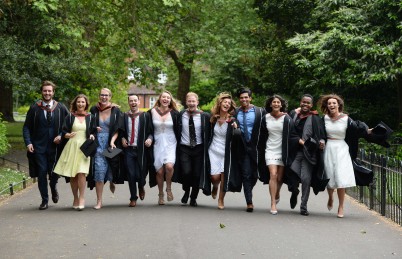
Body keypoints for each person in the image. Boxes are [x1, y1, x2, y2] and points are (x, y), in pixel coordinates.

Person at [318, 94, 373, 218]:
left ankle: (341, 206)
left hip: (342, 149)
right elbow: (320, 133)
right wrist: (321, 141)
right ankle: (331, 197)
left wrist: (367, 131)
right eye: (329, 103)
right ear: (327, 106)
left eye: (334, 103)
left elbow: (357, 129)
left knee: (340, 179)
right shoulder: (324, 119)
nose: (332, 105)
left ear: (339, 105)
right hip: (329, 148)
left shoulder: (346, 119)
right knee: (330, 177)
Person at [23, 80, 69, 210]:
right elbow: (26, 127)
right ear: (42, 92)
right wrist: (29, 142)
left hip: (55, 147)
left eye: (49, 91)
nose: (47, 93)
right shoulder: (34, 108)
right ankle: (44, 200)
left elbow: (68, 125)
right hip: (39, 147)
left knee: (54, 172)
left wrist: (61, 135)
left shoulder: (60, 108)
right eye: (45, 91)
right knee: (42, 172)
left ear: (53, 92)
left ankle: (53, 186)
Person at [54, 94, 96, 210]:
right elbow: (63, 132)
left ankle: (82, 197)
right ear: (75, 104)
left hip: (85, 148)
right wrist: (67, 135)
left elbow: (93, 131)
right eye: (78, 102)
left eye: (83, 102)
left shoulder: (91, 117)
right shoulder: (70, 117)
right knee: (73, 174)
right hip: (72, 147)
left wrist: (92, 135)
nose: (80, 104)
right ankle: (75, 198)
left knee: (82, 173)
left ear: (86, 104)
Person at [288, 94, 324, 216]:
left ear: (311, 105)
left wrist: (322, 142)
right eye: (304, 102)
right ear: (300, 102)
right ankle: (294, 191)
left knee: (305, 179)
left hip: (309, 153)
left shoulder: (315, 118)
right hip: (294, 152)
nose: (305, 104)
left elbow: (321, 134)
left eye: (308, 103)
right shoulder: (293, 115)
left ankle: (303, 206)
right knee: (292, 173)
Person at [261, 94, 298, 215]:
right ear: (270, 104)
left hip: (283, 150)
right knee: (273, 174)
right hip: (270, 149)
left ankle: (277, 192)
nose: (276, 104)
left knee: (280, 178)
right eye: (274, 102)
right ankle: (273, 203)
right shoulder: (265, 118)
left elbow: (293, 134)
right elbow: (261, 134)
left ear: (281, 105)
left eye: (278, 102)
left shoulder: (286, 118)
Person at [175, 92, 210, 207]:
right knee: (186, 172)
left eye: (193, 101)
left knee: (196, 174)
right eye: (189, 101)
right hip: (184, 148)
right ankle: (186, 190)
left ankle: (193, 197)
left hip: (199, 148)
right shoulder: (181, 115)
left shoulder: (204, 116)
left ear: (197, 102)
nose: (191, 103)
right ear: (186, 102)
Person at [234, 87, 266, 212]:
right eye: (241, 98)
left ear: (250, 98)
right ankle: (249, 201)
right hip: (242, 147)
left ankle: (248, 189)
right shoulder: (236, 112)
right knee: (246, 174)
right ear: (239, 99)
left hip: (256, 147)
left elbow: (269, 121)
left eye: (246, 97)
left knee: (255, 175)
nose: (244, 99)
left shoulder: (259, 111)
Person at [208, 92, 241, 210]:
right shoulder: (212, 118)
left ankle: (221, 199)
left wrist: (236, 128)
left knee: (224, 177)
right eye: (225, 102)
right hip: (213, 151)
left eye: (229, 103)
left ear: (230, 107)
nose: (226, 104)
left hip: (226, 153)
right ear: (220, 103)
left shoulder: (232, 120)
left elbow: (238, 134)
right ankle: (215, 186)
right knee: (215, 177)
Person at [90, 88, 121, 209]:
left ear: (110, 96)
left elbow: (118, 128)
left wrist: (113, 141)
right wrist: (93, 129)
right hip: (97, 144)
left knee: (112, 167)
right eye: (102, 95)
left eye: (106, 95)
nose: (104, 97)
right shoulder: (94, 109)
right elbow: (89, 124)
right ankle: (99, 201)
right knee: (99, 170)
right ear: (99, 96)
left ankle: (111, 181)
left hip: (110, 143)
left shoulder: (115, 110)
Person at [146, 90, 179, 205]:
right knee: (159, 172)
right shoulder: (151, 112)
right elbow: (148, 129)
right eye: (163, 97)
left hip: (171, 143)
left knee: (169, 166)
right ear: (159, 99)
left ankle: (168, 188)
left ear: (170, 100)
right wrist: (149, 138)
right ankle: (160, 194)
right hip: (157, 144)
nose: (165, 99)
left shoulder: (175, 113)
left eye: (168, 98)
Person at [120, 94, 151, 207]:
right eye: (131, 101)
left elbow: (151, 131)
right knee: (131, 174)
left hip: (141, 150)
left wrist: (150, 139)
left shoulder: (145, 116)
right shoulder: (124, 116)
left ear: (139, 101)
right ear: (128, 102)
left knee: (141, 173)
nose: (133, 103)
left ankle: (141, 185)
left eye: (135, 101)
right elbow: (121, 131)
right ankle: (133, 197)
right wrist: (122, 138)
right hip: (129, 149)